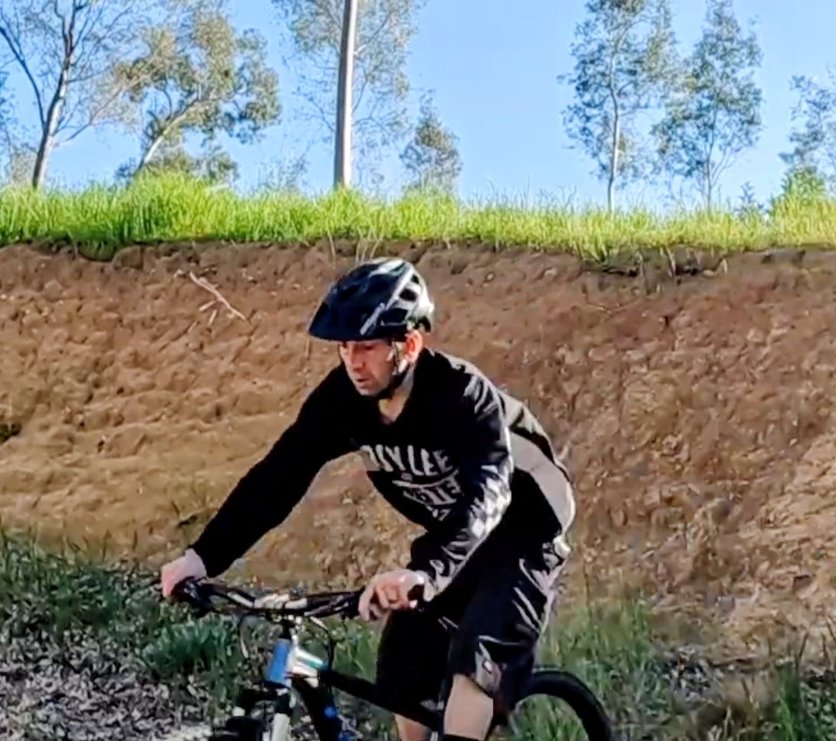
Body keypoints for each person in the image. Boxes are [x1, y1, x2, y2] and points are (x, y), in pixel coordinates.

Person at [158, 256, 576, 741]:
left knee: (476, 661)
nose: (353, 362)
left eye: (367, 347)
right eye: (344, 347)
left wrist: (428, 573)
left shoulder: (462, 396)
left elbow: (489, 494)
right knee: (404, 663)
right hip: (453, 535)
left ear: (410, 344)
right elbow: (279, 477)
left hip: (526, 529)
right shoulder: (343, 401)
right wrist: (201, 557)